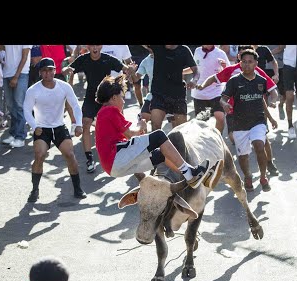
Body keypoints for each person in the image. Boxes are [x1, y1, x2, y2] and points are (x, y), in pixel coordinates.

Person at [94, 74, 222, 189]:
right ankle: (190, 174)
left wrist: (141, 130)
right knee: (159, 135)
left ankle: (190, 176)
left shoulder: (103, 113)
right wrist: (140, 125)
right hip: (116, 158)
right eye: (122, 97)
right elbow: (130, 134)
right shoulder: (109, 110)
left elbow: (130, 139)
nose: (124, 101)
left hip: (113, 167)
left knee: (160, 155)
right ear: (114, 97)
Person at [62, 45, 137, 173]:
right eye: (92, 46)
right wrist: (66, 69)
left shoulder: (108, 59)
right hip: (91, 97)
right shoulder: (83, 59)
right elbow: (67, 69)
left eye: (97, 45)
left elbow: (125, 68)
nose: (95, 48)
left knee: (118, 126)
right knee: (86, 123)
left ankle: (130, 152)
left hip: (106, 97)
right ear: (88, 47)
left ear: (101, 46)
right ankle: (89, 159)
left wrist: (130, 69)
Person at [23, 57, 86, 202]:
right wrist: (34, 126)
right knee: (40, 155)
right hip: (42, 128)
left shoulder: (64, 87)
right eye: (44, 71)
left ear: (55, 70)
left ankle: (77, 188)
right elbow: (26, 110)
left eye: (50, 70)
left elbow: (75, 106)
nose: (47, 73)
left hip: (59, 126)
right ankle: (35, 190)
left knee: (70, 154)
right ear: (40, 73)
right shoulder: (33, 90)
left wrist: (78, 125)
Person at [220, 48, 278, 192]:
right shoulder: (234, 81)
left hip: (258, 121)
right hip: (239, 123)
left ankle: (263, 177)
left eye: (250, 62)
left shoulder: (261, 81)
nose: (246, 65)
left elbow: (261, 100)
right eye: (244, 62)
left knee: (259, 145)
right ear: (240, 63)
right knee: (243, 155)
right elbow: (223, 98)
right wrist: (225, 104)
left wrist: (270, 118)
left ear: (256, 63)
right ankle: (247, 176)